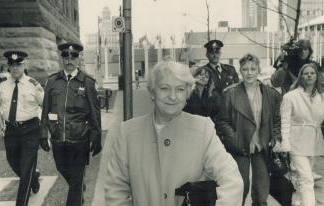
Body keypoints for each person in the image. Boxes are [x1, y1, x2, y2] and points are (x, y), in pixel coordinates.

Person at [105, 60, 244, 206]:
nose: (173, 96)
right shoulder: (128, 132)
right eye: (165, 88)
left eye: (180, 89)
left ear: (187, 95)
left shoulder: (203, 129)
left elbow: (231, 180)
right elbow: (116, 190)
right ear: (152, 92)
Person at [40, 43, 102, 206]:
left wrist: (96, 136)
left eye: (73, 57)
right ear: (62, 59)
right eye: (66, 56)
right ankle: (79, 185)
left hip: (80, 139)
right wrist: (43, 134)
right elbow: (45, 109)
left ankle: (77, 190)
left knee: (74, 183)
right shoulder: (52, 81)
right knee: (62, 168)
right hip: (58, 138)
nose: (69, 60)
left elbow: (95, 113)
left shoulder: (87, 82)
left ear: (78, 59)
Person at [218, 54, 282, 206]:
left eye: (253, 68)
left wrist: (276, 138)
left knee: (261, 193)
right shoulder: (230, 93)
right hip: (240, 148)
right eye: (245, 69)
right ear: (240, 71)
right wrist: (235, 140)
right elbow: (222, 121)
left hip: (262, 148)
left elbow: (276, 120)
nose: (249, 72)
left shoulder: (270, 94)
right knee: (240, 188)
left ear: (259, 69)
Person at [0, 50, 44, 206]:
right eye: (12, 65)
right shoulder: (2, 86)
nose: (15, 68)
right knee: (12, 161)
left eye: (18, 64)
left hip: (30, 130)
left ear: (25, 65)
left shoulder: (33, 85)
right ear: (8, 66)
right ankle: (33, 177)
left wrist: (46, 129)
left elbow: (46, 105)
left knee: (25, 168)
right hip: (11, 130)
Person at [273, 63, 324, 206]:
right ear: (300, 76)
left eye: (312, 73)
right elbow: (285, 121)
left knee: (302, 179)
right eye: (305, 73)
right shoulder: (291, 96)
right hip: (297, 141)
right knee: (307, 178)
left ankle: (298, 202)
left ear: (317, 76)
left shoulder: (321, 96)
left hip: (314, 141)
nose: (309, 76)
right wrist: (286, 143)